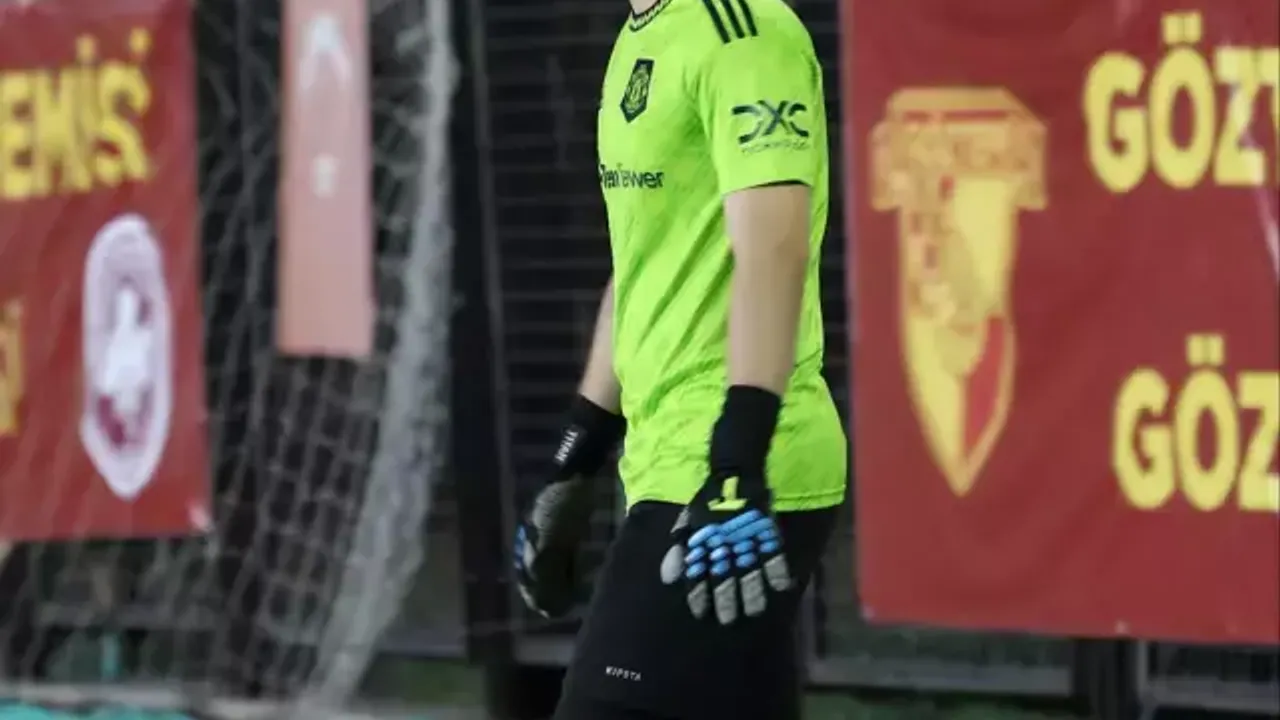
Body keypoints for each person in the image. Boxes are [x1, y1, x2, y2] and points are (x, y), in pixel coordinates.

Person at [513, 0, 846, 717]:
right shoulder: (644, 33)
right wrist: (577, 456)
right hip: (664, 459)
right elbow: (643, 269)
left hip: (732, 474)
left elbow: (775, 250)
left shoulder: (746, 32)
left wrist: (736, 464)